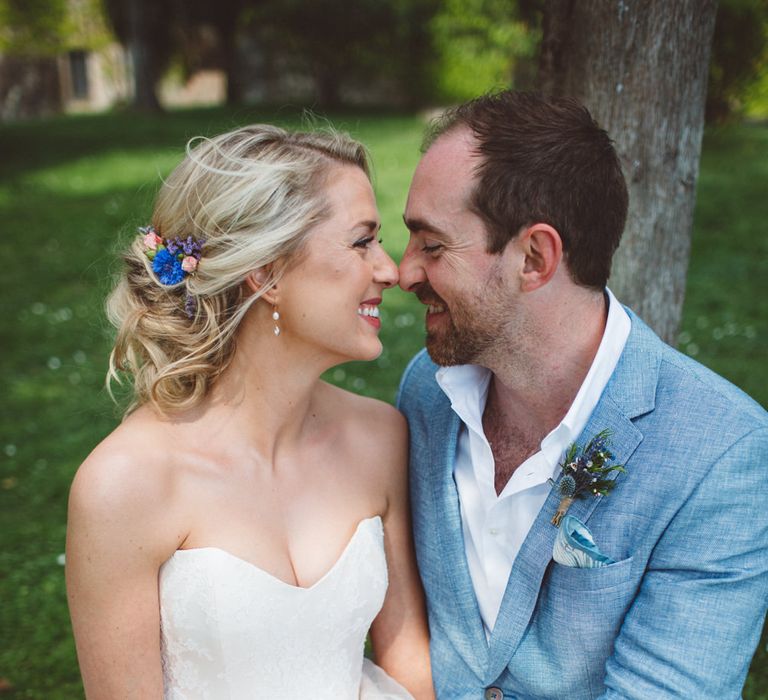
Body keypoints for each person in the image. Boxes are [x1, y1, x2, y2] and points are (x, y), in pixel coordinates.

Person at [396, 91, 768, 699]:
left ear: (535, 257)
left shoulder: (721, 456)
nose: (403, 272)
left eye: (432, 246)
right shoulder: (426, 390)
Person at [66, 124, 434, 700]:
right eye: (362, 242)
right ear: (266, 274)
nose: (389, 271)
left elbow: (408, 659)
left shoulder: (379, 436)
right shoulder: (125, 485)